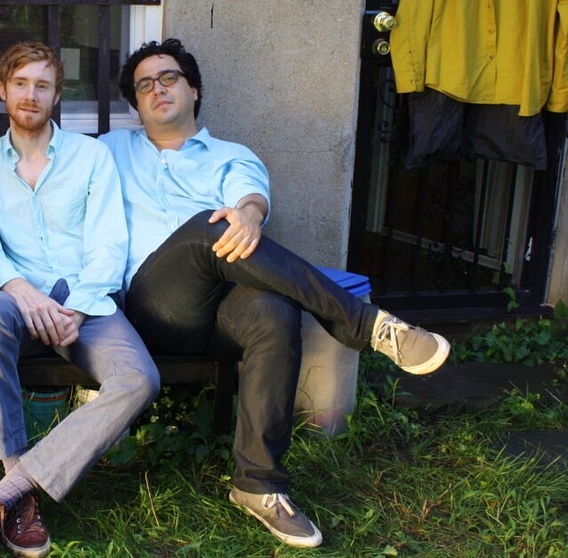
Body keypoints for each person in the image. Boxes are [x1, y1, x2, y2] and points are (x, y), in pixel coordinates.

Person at [99, 39, 451, 549]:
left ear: (193, 89)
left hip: (223, 312)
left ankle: (258, 484)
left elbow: (250, 198)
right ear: (136, 103)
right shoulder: (109, 151)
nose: (158, 89)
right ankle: (367, 324)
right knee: (204, 227)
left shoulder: (231, 156)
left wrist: (248, 215)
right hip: (155, 308)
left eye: (169, 77)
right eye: (145, 85)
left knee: (272, 310)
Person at [0, 42, 160, 558]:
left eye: (42, 85)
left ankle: (3, 496)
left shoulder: (91, 157)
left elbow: (109, 244)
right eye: (21, 83)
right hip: (16, 299)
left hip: (84, 303)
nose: (31, 95)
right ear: (3, 90)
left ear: (56, 95)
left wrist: (78, 309)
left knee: (139, 378)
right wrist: (22, 292)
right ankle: (19, 492)